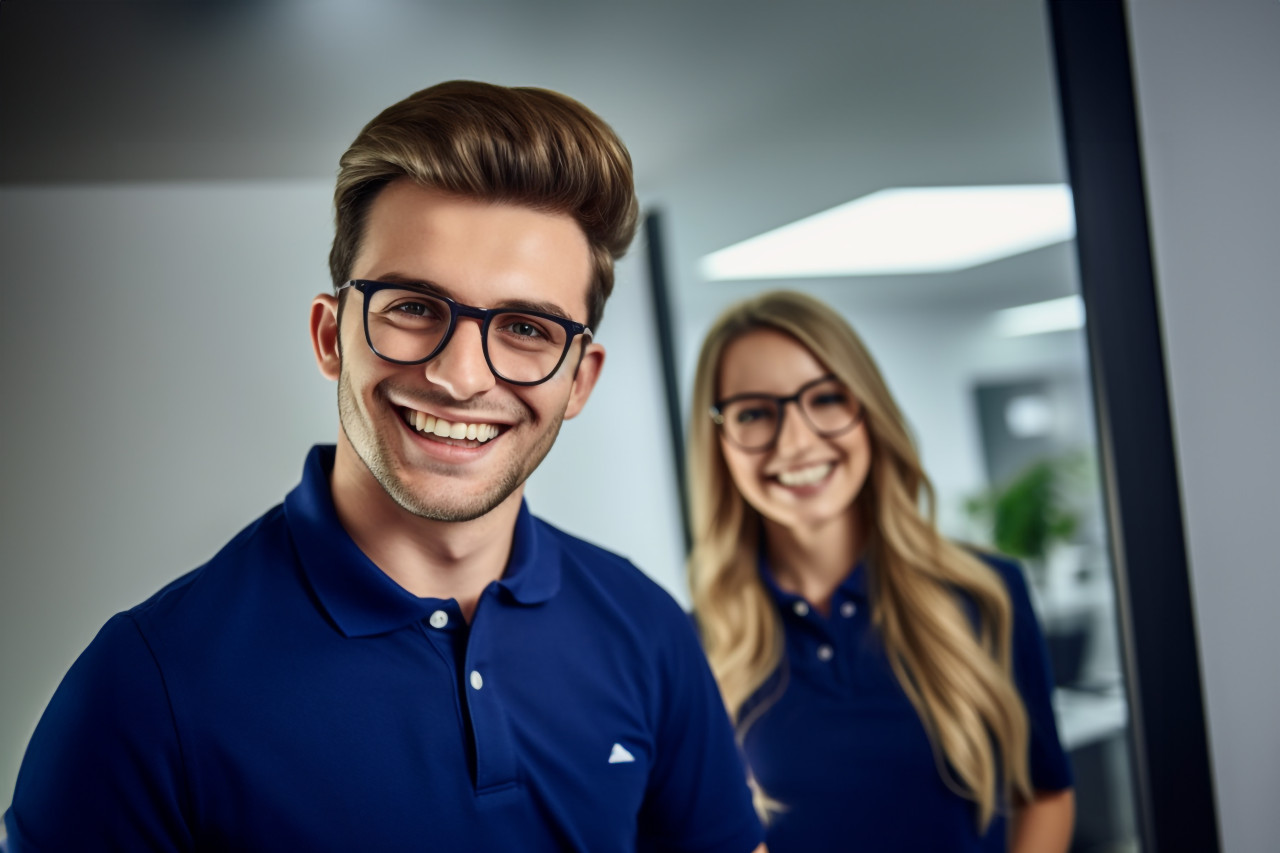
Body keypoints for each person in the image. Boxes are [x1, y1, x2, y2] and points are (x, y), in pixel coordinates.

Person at [3, 81, 764, 853]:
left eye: (527, 326)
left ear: (580, 380)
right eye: (412, 306)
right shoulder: (143, 686)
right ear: (332, 335)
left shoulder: (646, 627)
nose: (462, 375)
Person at [686, 290, 1075, 852]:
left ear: (867, 408)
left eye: (824, 399)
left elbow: (1044, 793)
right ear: (718, 440)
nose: (796, 442)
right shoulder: (692, 646)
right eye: (753, 413)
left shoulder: (987, 593)